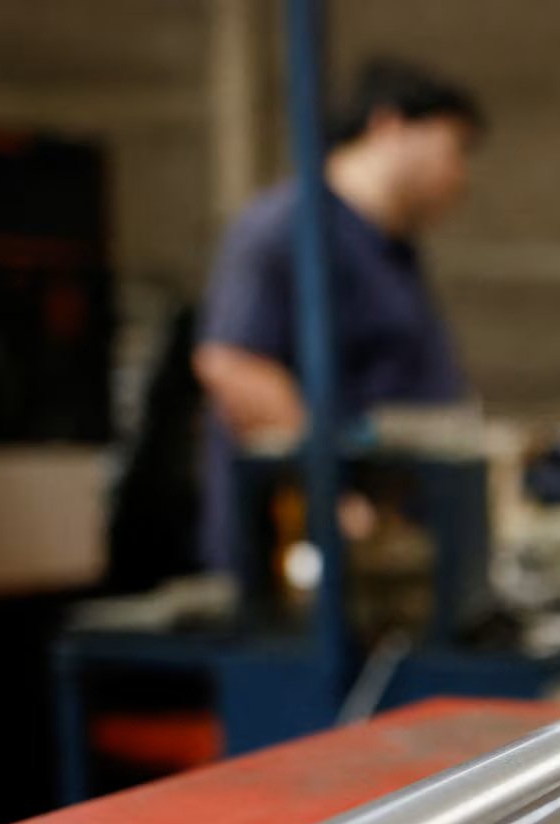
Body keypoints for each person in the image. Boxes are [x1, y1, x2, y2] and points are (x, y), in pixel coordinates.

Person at [193, 57, 484, 568]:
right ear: (389, 126)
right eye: (452, 149)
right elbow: (235, 366)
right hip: (307, 564)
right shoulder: (286, 229)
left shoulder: (393, 251)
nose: (459, 176)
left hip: (390, 553)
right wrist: (332, 501)